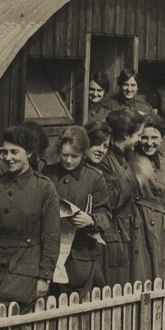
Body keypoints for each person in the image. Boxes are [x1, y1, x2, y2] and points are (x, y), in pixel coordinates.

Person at [0, 125, 59, 310]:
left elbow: (51, 236)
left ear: (29, 153)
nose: (8, 157)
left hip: (27, 268)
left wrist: (45, 276)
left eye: (14, 152)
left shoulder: (44, 187)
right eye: (5, 152)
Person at [43, 126, 111, 298]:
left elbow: (105, 214)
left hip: (79, 255)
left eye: (74, 156)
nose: (68, 160)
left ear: (83, 153)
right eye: (64, 155)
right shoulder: (48, 174)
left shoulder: (94, 177)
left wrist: (91, 220)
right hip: (50, 253)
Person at [97, 108, 144, 286]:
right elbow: (110, 199)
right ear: (125, 134)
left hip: (124, 232)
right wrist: (135, 180)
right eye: (138, 135)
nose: (140, 139)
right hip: (113, 233)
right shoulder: (105, 160)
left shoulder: (125, 156)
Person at [129, 116, 165, 281]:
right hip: (139, 223)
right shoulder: (131, 159)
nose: (149, 143)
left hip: (162, 229)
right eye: (144, 137)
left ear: (162, 139)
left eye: (154, 137)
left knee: (163, 275)